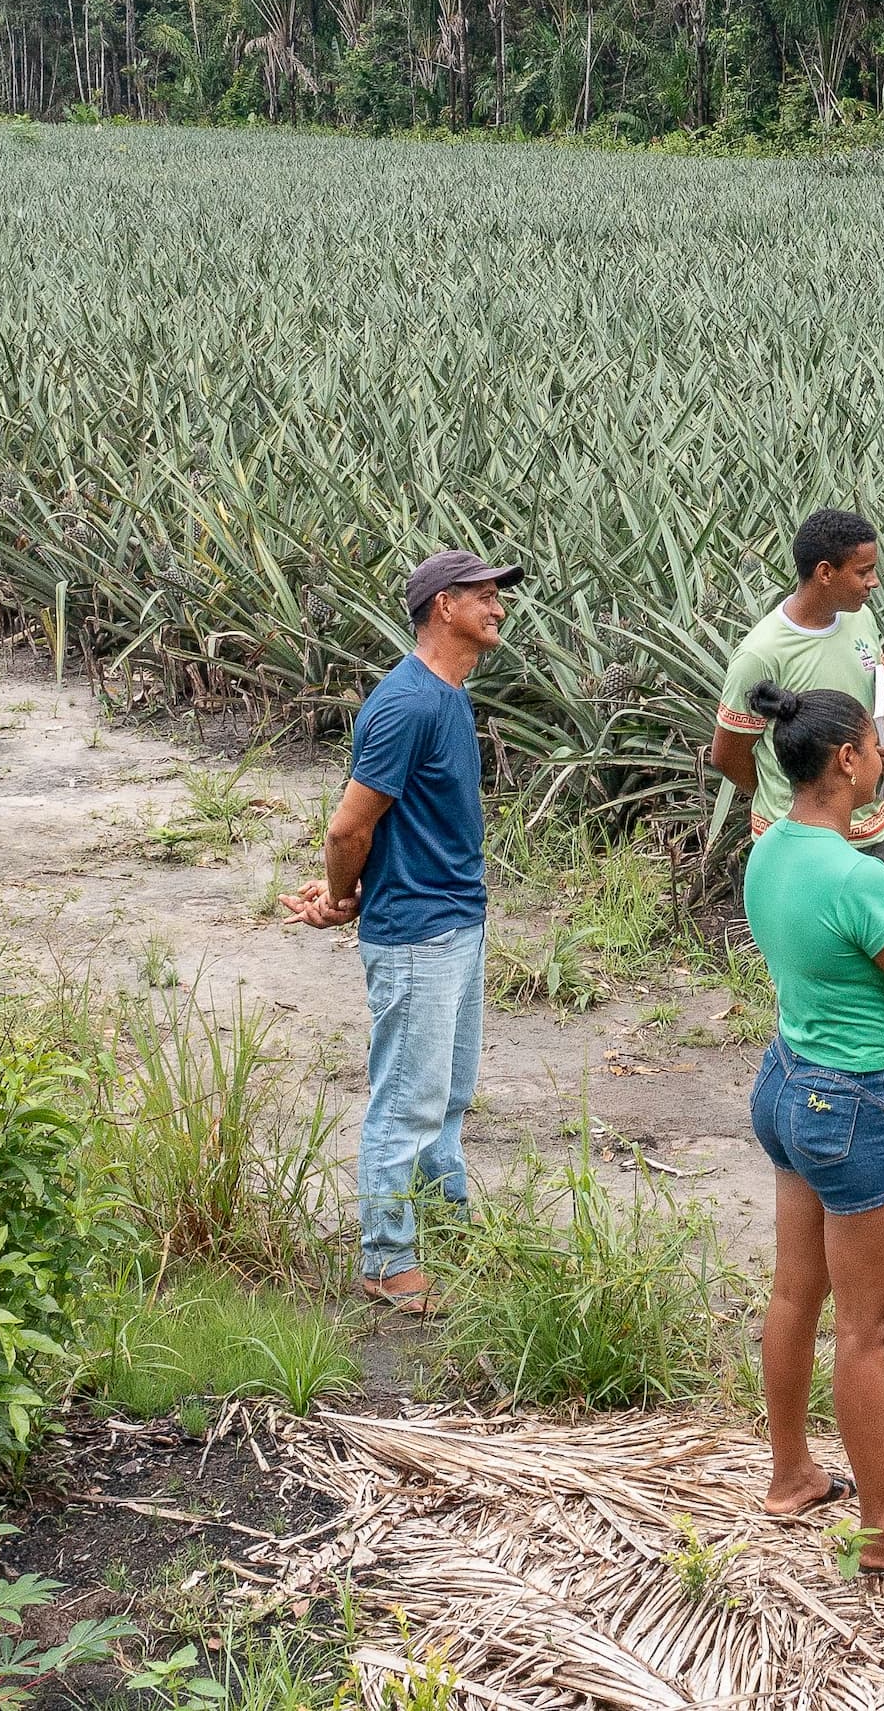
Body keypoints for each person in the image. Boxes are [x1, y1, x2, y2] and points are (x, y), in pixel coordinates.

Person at [737, 680, 884, 1576]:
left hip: (788, 1081)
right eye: (874, 743)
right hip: (860, 1102)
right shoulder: (860, 877)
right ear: (845, 760)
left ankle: (791, 1472)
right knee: (870, 1328)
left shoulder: (770, 852)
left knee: (798, 1293)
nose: (882, 755)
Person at [286, 548, 523, 1316]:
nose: (498, 606)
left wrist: (347, 889)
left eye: (498, 595)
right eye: (483, 595)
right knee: (407, 1101)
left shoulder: (450, 694)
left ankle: (443, 1225)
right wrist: (344, 895)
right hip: (418, 930)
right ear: (442, 606)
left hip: (455, 919)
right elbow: (349, 824)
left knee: (449, 1094)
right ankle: (386, 1259)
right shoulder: (408, 702)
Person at [716, 508, 884, 883]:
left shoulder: (862, 619)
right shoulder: (761, 654)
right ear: (825, 572)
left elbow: (880, 688)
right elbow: (728, 755)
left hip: (873, 825)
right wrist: (788, 793)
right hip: (798, 837)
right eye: (863, 571)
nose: (873, 582)